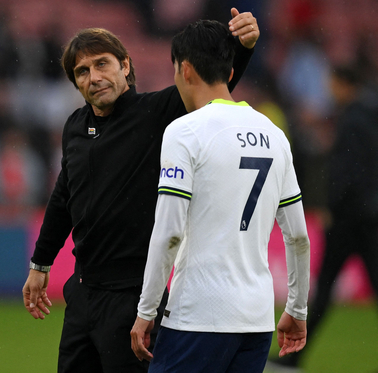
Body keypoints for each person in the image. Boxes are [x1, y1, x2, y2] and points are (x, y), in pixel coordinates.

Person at [22, 8, 260, 373]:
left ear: (126, 66)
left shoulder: (155, 113)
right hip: (82, 294)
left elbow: (210, 84)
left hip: (133, 298)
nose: (94, 77)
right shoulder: (74, 126)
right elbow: (63, 197)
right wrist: (41, 264)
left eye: (102, 64)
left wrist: (242, 47)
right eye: (82, 72)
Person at [130, 20, 310, 373]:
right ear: (230, 71)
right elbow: (299, 235)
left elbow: (169, 233)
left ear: (184, 69)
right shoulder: (275, 135)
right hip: (256, 320)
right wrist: (297, 309)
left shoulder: (184, 131)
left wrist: (146, 311)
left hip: (197, 317)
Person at [265, 65, 378, 373]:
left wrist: (333, 205)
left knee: (325, 290)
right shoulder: (370, 114)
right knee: (330, 291)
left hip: (349, 220)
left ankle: (294, 355)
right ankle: (295, 354)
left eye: (333, 83)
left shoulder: (353, 119)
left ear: (343, 84)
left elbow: (347, 172)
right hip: (369, 216)